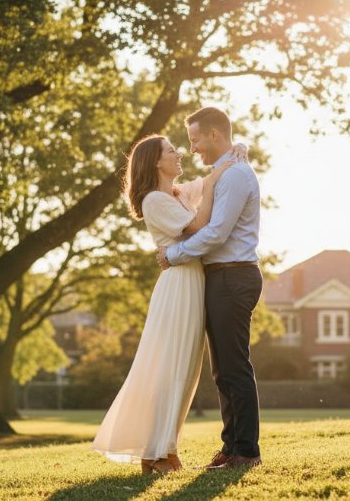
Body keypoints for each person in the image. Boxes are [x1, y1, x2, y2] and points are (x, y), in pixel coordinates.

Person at [91, 133, 247, 474]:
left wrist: (233, 155)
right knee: (171, 368)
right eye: (171, 150)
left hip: (191, 283)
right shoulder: (154, 201)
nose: (179, 154)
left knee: (185, 369)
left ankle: (164, 449)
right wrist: (217, 177)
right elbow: (199, 225)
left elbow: (202, 185)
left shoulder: (174, 194)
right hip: (178, 286)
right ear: (155, 161)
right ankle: (157, 452)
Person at [157, 106, 263, 470]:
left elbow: (216, 233)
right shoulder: (224, 173)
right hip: (221, 277)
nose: (192, 149)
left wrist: (174, 254)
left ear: (216, 135)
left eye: (196, 139)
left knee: (234, 366)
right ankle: (231, 447)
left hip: (233, 275)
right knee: (223, 369)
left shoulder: (234, 177)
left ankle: (246, 451)